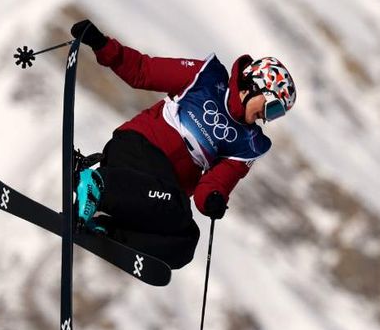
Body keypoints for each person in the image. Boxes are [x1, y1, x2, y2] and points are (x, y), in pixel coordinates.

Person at [70, 19, 297, 269]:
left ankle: (105, 230)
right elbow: (142, 70)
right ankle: (97, 184)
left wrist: (213, 198)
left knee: (185, 242)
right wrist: (102, 44)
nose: (267, 118)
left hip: (161, 188)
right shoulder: (205, 78)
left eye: (276, 115)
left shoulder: (249, 144)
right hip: (138, 148)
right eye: (273, 108)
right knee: (176, 205)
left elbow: (212, 185)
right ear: (256, 87)